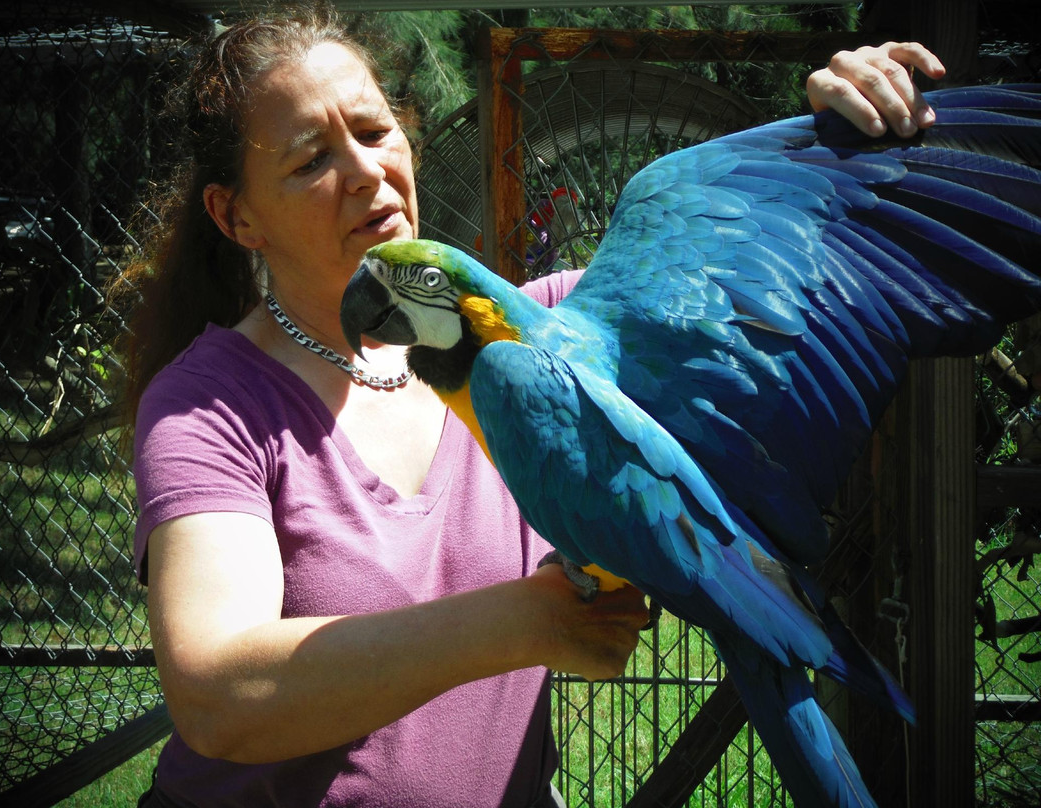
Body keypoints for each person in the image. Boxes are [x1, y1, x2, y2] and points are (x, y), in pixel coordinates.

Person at [115, 7, 945, 807]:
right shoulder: (211, 406)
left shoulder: (566, 337)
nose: (366, 171)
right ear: (236, 214)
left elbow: (767, 268)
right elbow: (216, 698)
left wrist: (829, 139)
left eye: (373, 132)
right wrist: (525, 624)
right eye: (310, 160)